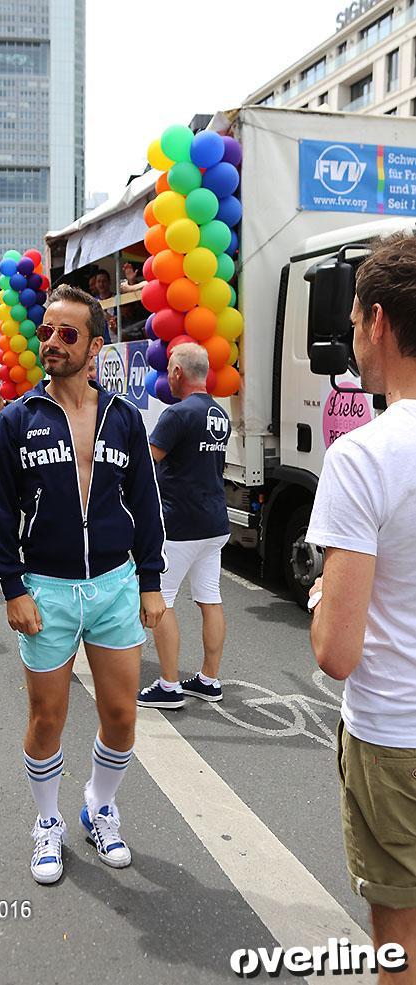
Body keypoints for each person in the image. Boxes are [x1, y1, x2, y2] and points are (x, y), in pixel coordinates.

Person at [0, 283, 166, 885]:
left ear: (94, 344)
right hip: (48, 590)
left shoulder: (124, 418)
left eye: (67, 334)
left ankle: (99, 804)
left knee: (120, 712)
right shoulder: (15, 422)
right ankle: (47, 822)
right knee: (46, 718)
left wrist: (150, 580)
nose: (51, 343)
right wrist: (13, 588)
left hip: (114, 584)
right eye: (46, 332)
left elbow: (145, 500)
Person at [306, 233, 416, 977]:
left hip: (394, 736)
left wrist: (322, 595)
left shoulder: (364, 455)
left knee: (398, 942)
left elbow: (335, 650)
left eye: (351, 321)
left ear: (377, 320)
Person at [137, 343, 231, 710]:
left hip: (179, 524)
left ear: (176, 373)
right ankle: (209, 680)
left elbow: (147, 462)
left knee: (162, 600)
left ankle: (169, 685)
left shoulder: (177, 414)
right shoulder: (218, 413)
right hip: (215, 521)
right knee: (210, 598)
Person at [93, 269, 114, 344]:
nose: (101, 284)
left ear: (109, 282)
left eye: (104, 281)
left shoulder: (117, 298)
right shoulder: (93, 302)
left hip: (116, 342)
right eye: (99, 281)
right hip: (100, 345)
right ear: (95, 284)